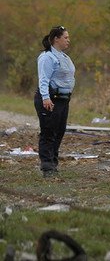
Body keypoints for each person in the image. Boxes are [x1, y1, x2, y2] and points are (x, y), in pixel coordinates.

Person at [34, 26, 76, 178]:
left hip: (63, 100)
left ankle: (53, 162)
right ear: (56, 39)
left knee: (59, 131)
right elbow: (43, 79)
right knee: (48, 132)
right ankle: (47, 167)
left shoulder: (64, 56)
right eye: (65, 37)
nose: (68, 40)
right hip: (50, 98)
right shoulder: (47, 57)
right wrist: (45, 97)